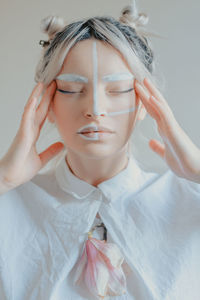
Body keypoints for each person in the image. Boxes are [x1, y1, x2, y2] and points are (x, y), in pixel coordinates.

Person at [0, 1, 200, 299]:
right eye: (70, 89)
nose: (94, 109)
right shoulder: (8, 205)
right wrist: (2, 179)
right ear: (47, 105)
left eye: (118, 89)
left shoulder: (189, 201)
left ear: (146, 102)